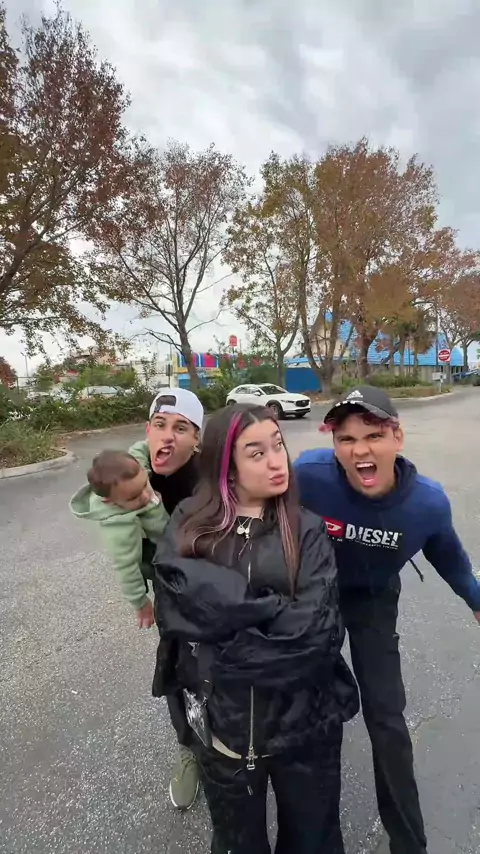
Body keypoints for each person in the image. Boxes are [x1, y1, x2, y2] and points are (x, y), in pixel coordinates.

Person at [152, 403, 359, 854]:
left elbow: (317, 636)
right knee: (236, 842)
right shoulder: (190, 524)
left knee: (313, 840)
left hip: (304, 727)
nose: (276, 460)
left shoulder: (305, 530)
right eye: (256, 453)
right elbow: (173, 608)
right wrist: (271, 610)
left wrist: (222, 639)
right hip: (222, 732)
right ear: (226, 467)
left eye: (278, 445)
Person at [294, 385, 480, 854]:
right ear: (334, 444)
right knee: (309, 713)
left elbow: (453, 562)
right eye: (346, 439)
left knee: (387, 717)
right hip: (315, 596)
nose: (360, 450)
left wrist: (477, 602)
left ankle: (409, 844)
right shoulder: (309, 476)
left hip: (374, 598)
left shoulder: (427, 504)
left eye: (373, 435)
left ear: (397, 437)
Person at [70, 450, 169, 627]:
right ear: (110, 501)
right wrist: (140, 602)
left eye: (145, 484)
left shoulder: (133, 472)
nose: (145, 496)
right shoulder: (120, 523)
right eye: (134, 497)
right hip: (161, 557)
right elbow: (126, 566)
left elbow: (141, 448)